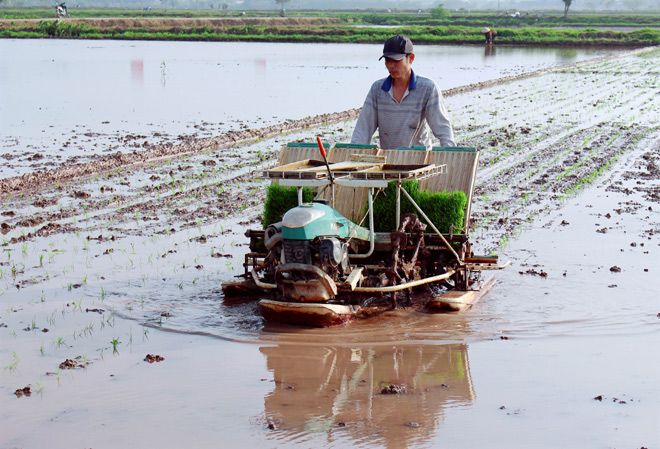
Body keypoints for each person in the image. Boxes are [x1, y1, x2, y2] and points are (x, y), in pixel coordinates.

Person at [351, 35, 455, 150]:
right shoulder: (378, 89)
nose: (391, 65)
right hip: (389, 159)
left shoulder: (427, 88)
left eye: (396, 60)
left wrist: (450, 154)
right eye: (387, 60)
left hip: (420, 160)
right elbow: (363, 129)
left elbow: (443, 129)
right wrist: (353, 155)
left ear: (411, 58)